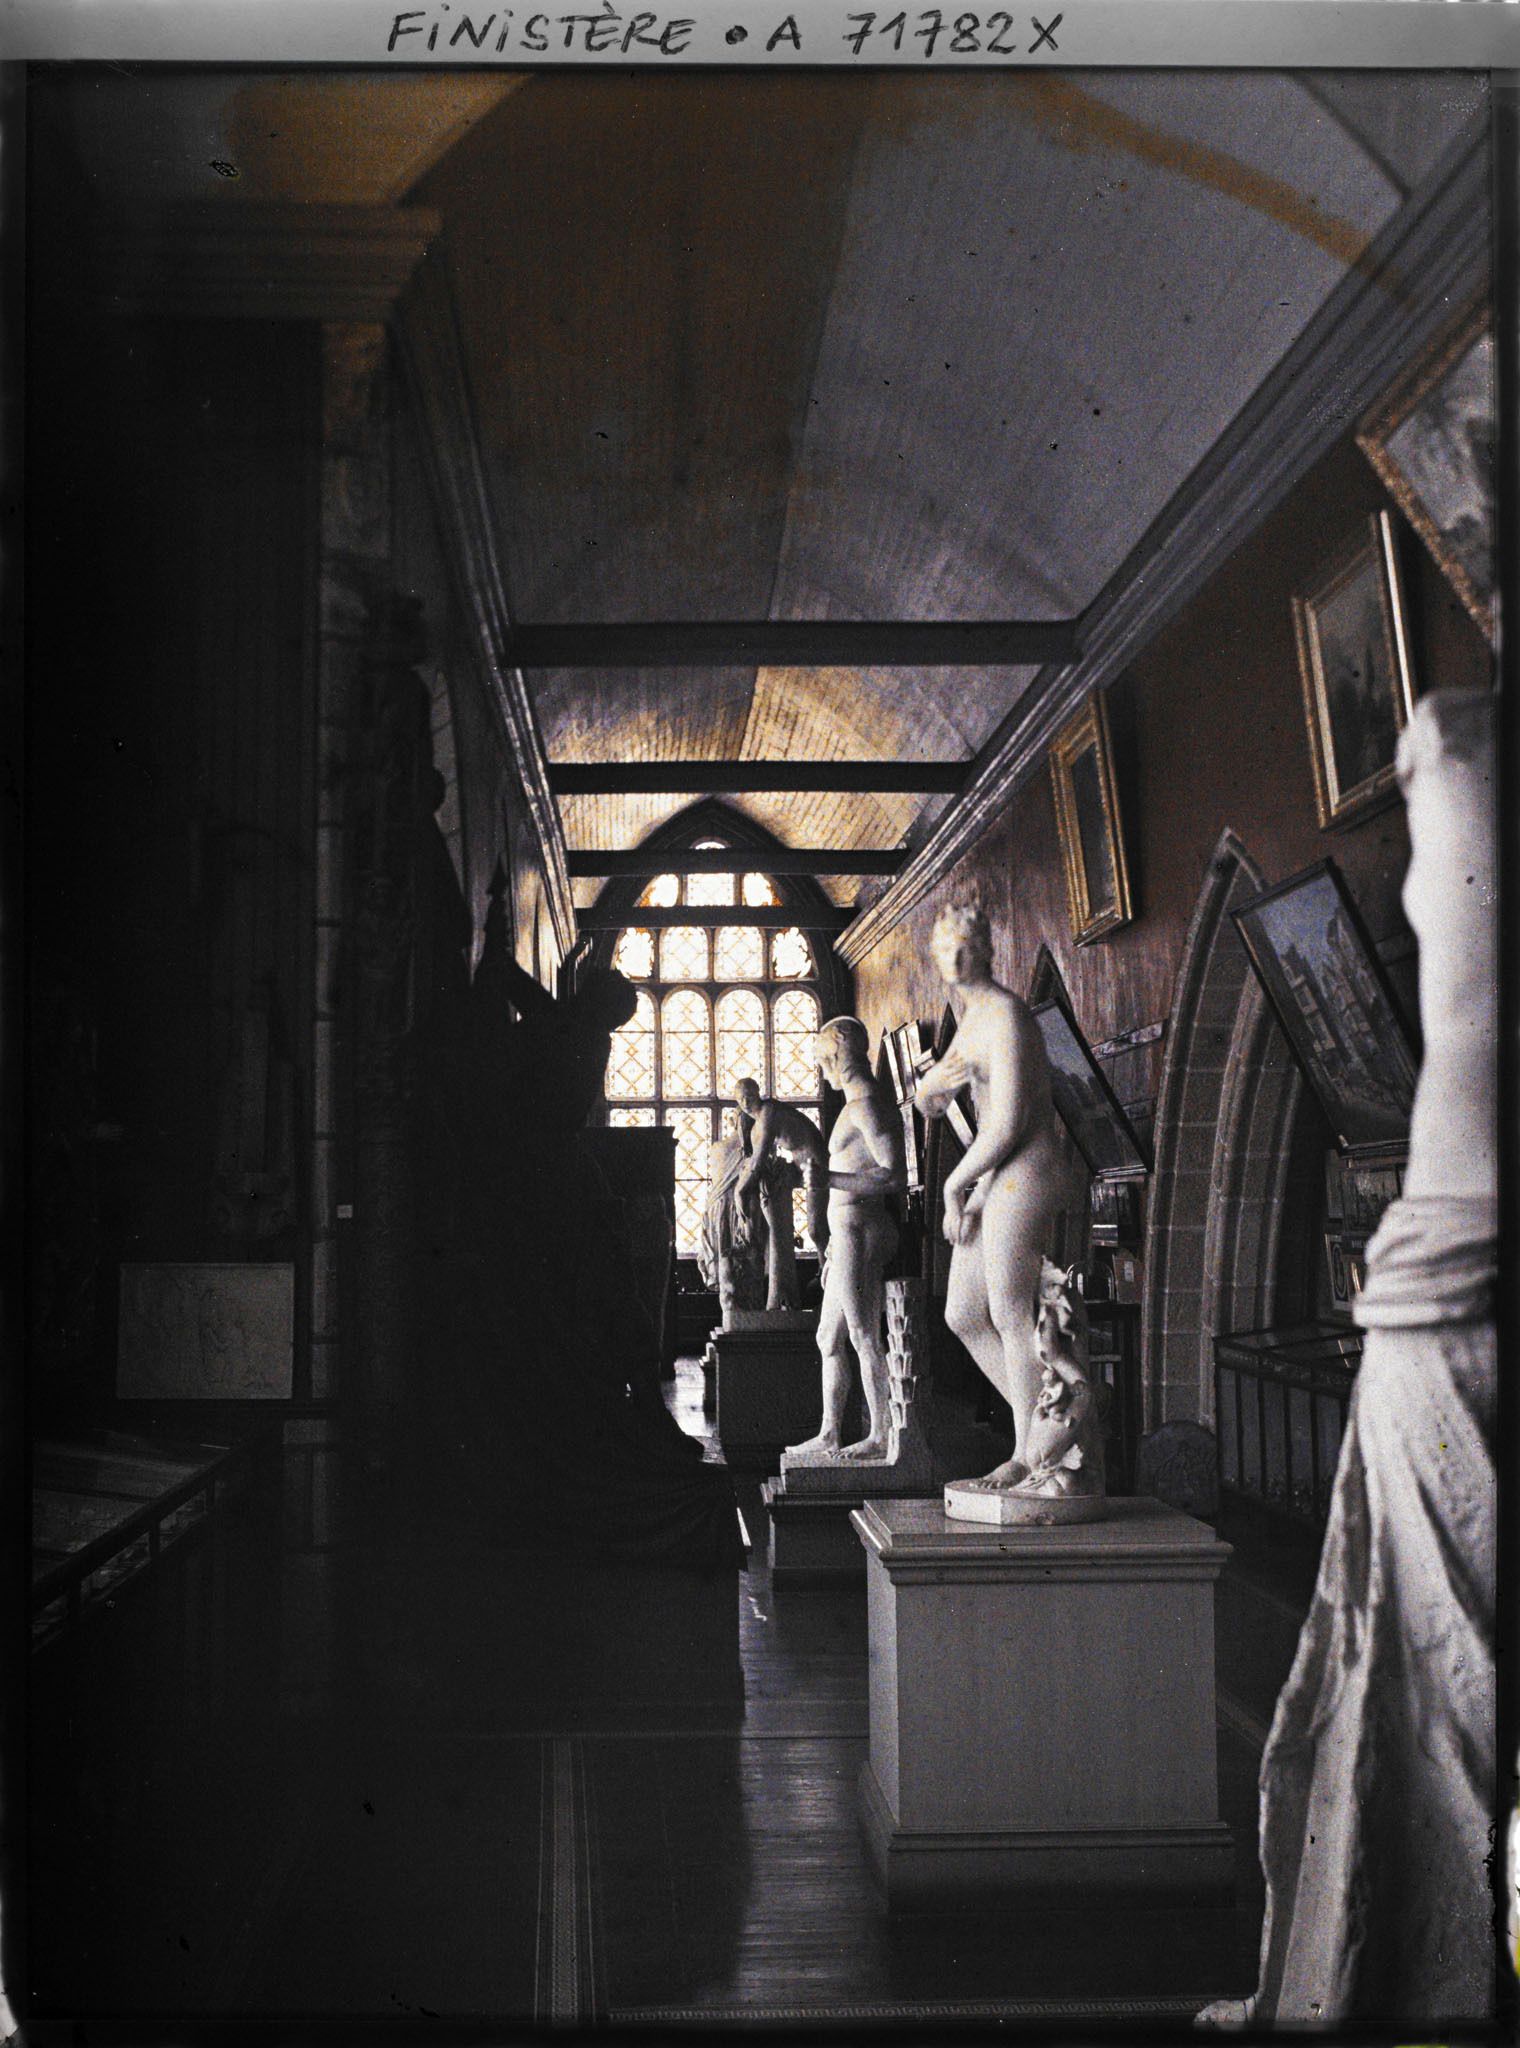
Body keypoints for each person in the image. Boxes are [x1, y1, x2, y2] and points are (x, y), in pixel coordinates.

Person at [915, 903, 1063, 1485]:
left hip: (1028, 1166)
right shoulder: (970, 1020)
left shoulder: (1003, 1015)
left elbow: (1007, 1123)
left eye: (963, 946)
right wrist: (933, 1087)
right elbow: (930, 1099)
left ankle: (1031, 1454)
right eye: (944, 948)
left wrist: (956, 1185)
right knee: (962, 1313)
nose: (953, 959)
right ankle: (1050, 1419)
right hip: (999, 1173)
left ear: (983, 949)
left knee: (1007, 1309)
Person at [784, 1016, 905, 1462]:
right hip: (845, 1234)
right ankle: (831, 1433)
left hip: (863, 1230)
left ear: (837, 1052)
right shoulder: (856, 1102)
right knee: (828, 1338)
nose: (821, 1070)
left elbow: (894, 1175)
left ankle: (882, 1435)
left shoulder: (867, 1104)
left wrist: (827, 1178)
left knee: (862, 1333)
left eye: (822, 1060)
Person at [732, 1076, 831, 1266]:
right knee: (765, 1189)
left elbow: (758, 1161)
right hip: (797, 1167)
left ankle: (823, 1272)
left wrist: (740, 1190)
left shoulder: (768, 1112)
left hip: (816, 1167)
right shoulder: (755, 1128)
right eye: (741, 1098)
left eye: (749, 1096)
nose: (746, 1102)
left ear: (757, 1094)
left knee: (816, 1229)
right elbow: (753, 1163)